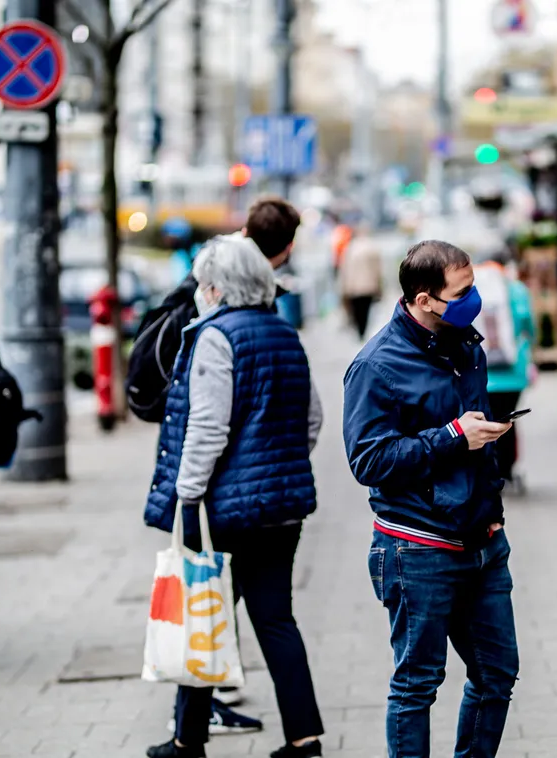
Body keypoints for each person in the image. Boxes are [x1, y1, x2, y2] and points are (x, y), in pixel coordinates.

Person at [144, 237, 325, 758]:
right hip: (282, 506)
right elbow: (311, 420)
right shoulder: (285, 333)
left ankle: (187, 741)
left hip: (223, 507)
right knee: (275, 619)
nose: (200, 293)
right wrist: (277, 462)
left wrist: (187, 495)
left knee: (203, 615)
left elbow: (206, 427)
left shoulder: (216, 338)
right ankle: (303, 738)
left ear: (219, 288)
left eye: (203, 284)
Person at [343, 240, 519, 758]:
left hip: (484, 542)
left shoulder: (466, 345)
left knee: (497, 676)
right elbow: (368, 461)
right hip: (417, 548)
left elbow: (465, 434)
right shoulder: (376, 366)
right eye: (462, 292)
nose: (475, 300)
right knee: (417, 685)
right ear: (424, 300)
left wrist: (481, 437)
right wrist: (451, 437)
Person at [472, 246, 536, 486]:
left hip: (481, 372)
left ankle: (490, 472)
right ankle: (507, 472)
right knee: (506, 422)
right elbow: (529, 326)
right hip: (513, 372)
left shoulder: (471, 290)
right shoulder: (516, 289)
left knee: (484, 422)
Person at [337, 229, 384, 341]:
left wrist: (343, 286)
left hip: (353, 286)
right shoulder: (372, 248)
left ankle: (359, 332)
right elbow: (378, 270)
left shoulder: (349, 248)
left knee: (357, 310)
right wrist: (379, 286)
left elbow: (344, 270)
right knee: (365, 310)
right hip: (368, 286)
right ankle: (363, 331)